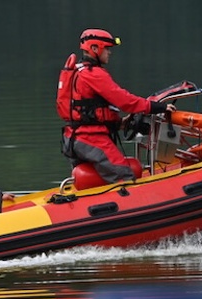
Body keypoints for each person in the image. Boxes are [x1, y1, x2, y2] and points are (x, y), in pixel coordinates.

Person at [57, 28, 177, 184]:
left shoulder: (77, 72)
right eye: (107, 48)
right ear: (95, 48)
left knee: (91, 184)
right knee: (124, 177)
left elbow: (88, 112)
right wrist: (157, 107)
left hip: (74, 139)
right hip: (91, 140)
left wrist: (120, 123)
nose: (109, 53)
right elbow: (124, 100)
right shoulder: (94, 74)